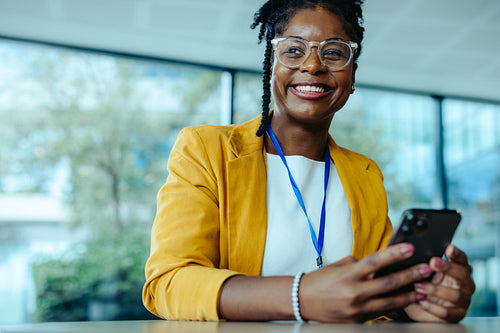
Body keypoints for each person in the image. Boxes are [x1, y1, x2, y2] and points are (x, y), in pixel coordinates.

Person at [142, 0, 475, 323]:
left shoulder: (365, 175)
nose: (313, 65)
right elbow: (169, 284)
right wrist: (300, 296)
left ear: (352, 74)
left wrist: (417, 303)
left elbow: (374, 301)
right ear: (271, 63)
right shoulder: (206, 149)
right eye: (293, 49)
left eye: (333, 52)